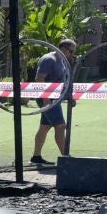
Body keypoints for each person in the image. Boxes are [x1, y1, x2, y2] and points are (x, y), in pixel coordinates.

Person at [30, 38, 78, 167]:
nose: (72, 55)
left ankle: (36, 156)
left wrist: (70, 97)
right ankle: (66, 157)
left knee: (45, 127)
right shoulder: (48, 59)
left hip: (54, 99)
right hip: (47, 99)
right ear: (63, 48)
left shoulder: (61, 60)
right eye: (71, 51)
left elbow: (63, 81)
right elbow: (40, 79)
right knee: (61, 126)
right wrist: (46, 99)